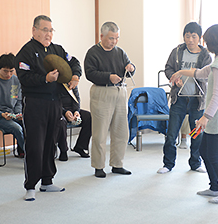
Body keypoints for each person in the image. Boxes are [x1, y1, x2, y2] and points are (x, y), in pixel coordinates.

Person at [15, 15, 82, 201]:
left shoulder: (57, 49)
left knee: (50, 143)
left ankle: (47, 181)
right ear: (34, 30)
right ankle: (30, 186)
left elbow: (74, 62)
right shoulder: (25, 52)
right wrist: (45, 78)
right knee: (35, 145)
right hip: (35, 104)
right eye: (45, 30)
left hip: (55, 103)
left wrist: (75, 76)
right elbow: (24, 78)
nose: (49, 34)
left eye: (51, 30)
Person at [172, 24, 218, 204]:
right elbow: (200, 73)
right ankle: (214, 187)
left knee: (214, 156)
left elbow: (217, 94)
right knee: (204, 151)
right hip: (216, 117)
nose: (204, 43)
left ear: (213, 41)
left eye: (206, 40)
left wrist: (204, 117)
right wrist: (180, 71)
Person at [157, 22, 212, 174]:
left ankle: (195, 163)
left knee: (196, 134)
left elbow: (207, 74)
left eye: (194, 37)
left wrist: (192, 74)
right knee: (171, 133)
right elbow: (168, 68)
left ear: (199, 38)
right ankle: (168, 164)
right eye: (187, 36)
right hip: (179, 99)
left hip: (197, 100)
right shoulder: (177, 51)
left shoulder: (205, 55)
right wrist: (174, 79)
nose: (190, 40)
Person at [84, 21, 135, 178]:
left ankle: (117, 164)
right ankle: (99, 166)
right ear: (102, 36)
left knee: (121, 131)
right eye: (111, 38)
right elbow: (89, 73)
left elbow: (129, 68)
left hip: (120, 92)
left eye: (117, 38)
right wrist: (108, 77)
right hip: (102, 92)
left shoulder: (120, 52)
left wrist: (131, 68)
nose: (114, 41)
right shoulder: (93, 52)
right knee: (100, 132)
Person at [57, 75, 91, 161]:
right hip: (59, 111)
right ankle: (63, 150)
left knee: (89, 117)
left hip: (72, 109)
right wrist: (64, 112)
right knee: (61, 122)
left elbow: (77, 99)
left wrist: (76, 111)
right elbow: (54, 102)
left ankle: (80, 146)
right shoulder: (54, 83)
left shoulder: (71, 82)